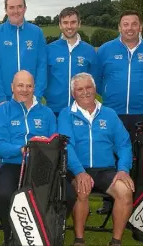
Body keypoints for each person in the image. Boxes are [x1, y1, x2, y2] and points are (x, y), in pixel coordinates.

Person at [92, 10, 143, 214]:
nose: (130, 28)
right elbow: (96, 80)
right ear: (119, 27)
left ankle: (138, 202)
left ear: (140, 27)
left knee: (141, 156)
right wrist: (109, 94)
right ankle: (110, 201)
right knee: (112, 155)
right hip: (113, 113)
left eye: (134, 24)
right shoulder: (106, 50)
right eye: (125, 24)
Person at [58, 73, 134, 246]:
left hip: (105, 170)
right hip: (76, 168)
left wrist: (123, 169)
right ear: (73, 94)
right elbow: (66, 145)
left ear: (95, 89)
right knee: (83, 189)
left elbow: (124, 144)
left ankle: (116, 241)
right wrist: (79, 172)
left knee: (125, 191)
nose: (85, 92)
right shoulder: (66, 114)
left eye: (88, 87)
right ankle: (79, 239)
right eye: (79, 89)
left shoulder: (109, 114)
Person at [0, 70, 57, 244]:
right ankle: (10, 236)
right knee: (4, 195)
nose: (24, 90)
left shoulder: (47, 113)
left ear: (34, 88)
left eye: (29, 86)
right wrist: (19, 149)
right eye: (20, 85)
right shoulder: (2, 111)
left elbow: (55, 142)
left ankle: (45, 234)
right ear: (12, 87)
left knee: (67, 195)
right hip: (13, 164)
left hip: (41, 165)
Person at [0, 0, 47, 110]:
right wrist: (1, 99)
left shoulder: (37, 33)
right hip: (4, 101)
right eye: (11, 7)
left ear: (25, 8)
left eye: (19, 6)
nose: (16, 11)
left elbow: (42, 66)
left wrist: (37, 97)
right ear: (6, 10)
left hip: (31, 100)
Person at [45, 7, 97, 117]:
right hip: (54, 109)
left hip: (82, 109)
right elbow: (43, 78)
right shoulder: (49, 50)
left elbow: (95, 80)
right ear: (60, 25)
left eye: (73, 22)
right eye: (65, 23)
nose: (69, 26)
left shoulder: (89, 50)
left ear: (79, 24)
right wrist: (51, 96)